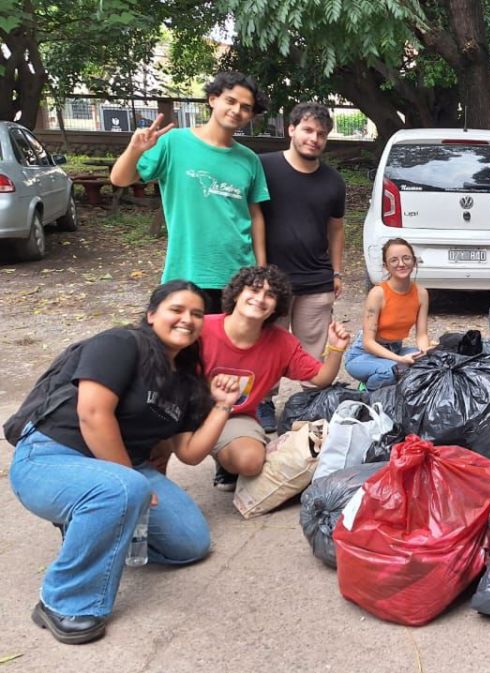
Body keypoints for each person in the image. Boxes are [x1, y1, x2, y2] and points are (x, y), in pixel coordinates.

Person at [7, 281, 241, 645]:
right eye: (176, 310)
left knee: (191, 543)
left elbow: (191, 453)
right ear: (151, 315)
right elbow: (92, 414)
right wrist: (128, 481)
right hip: (51, 456)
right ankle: (64, 602)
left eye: (197, 314)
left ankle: (93, 521)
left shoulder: (183, 383)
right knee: (122, 489)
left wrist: (224, 405)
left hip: (124, 471)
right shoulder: (121, 343)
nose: (187, 319)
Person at [110, 71, 271, 314]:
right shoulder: (173, 142)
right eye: (230, 101)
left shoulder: (249, 160)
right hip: (187, 270)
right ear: (213, 99)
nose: (237, 110)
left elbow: (255, 215)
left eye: (246, 107)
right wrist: (134, 150)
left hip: (239, 274)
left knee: (229, 349)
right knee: (186, 346)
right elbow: (119, 179)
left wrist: (260, 268)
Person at [201, 266, 351, 490]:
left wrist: (336, 349)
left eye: (270, 295)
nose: (260, 299)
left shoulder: (281, 342)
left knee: (250, 462)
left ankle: (225, 457)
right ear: (237, 294)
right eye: (253, 290)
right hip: (188, 408)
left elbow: (321, 379)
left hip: (233, 417)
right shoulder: (202, 327)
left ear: (276, 308)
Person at [257, 102, 347, 431]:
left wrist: (336, 271)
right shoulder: (263, 167)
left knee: (313, 348)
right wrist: (259, 269)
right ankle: (263, 401)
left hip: (317, 278)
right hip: (272, 279)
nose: (314, 139)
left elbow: (336, 228)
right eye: (308, 130)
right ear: (291, 129)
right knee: (267, 343)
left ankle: (309, 402)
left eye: (321, 134)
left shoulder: (333, 181)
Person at [344, 238, 432, 390]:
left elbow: (421, 335)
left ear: (414, 261)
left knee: (428, 363)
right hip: (363, 355)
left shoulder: (421, 293)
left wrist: (426, 352)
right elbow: (368, 343)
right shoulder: (378, 294)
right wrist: (399, 360)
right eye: (394, 260)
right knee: (392, 370)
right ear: (386, 266)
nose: (401, 264)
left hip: (394, 349)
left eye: (406, 258)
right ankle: (366, 394)